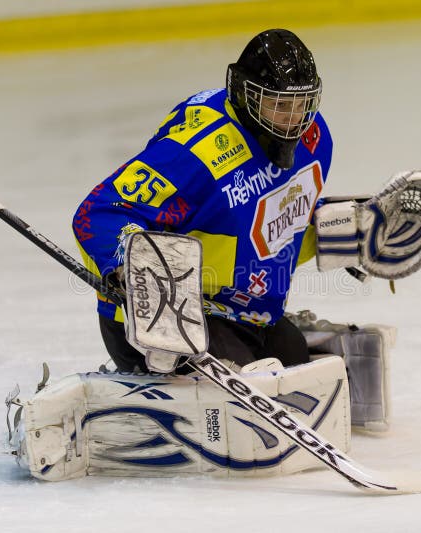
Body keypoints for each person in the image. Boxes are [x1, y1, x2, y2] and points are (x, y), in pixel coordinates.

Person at [73, 28, 331, 372]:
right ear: (246, 95)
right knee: (246, 381)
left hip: (244, 312)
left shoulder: (314, 142)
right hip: (168, 321)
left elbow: (271, 240)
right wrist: (131, 259)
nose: (293, 119)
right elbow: (99, 212)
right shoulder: (199, 154)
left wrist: (347, 234)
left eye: (302, 105)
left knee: (294, 356)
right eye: (280, 105)